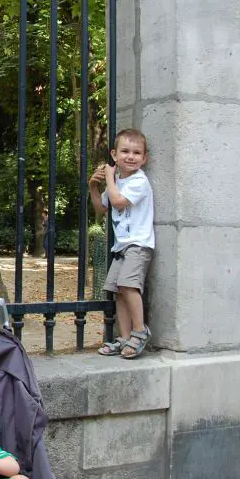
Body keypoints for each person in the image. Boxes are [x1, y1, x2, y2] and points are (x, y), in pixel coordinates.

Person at [89, 128, 155, 359]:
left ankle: (140, 331)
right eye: (125, 151)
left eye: (137, 153)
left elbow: (117, 203)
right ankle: (125, 337)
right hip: (121, 247)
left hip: (138, 244)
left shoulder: (139, 181)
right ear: (114, 154)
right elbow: (101, 208)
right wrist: (94, 187)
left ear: (144, 158)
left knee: (129, 286)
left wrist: (108, 176)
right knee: (118, 291)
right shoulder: (117, 181)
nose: (131, 156)